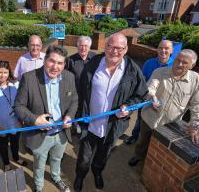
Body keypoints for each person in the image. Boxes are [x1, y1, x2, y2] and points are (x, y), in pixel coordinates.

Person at [74, 33, 148, 191]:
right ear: (105, 46)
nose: (114, 51)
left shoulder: (133, 70)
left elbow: (141, 95)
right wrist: (80, 114)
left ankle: (97, 172)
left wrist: (128, 107)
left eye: (119, 48)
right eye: (110, 46)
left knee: (103, 155)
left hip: (113, 126)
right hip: (90, 124)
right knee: (84, 157)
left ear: (126, 49)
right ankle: (80, 175)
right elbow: (81, 90)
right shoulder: (93, 63)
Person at [14, 46, 78, 192]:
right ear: (45, 60)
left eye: (60, 63)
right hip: (40, 135)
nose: (55, 67)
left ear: (64, 64)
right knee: (39, 164)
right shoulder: (29, 78)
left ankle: (56, 177)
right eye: (52, 61)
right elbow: (18, 105)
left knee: (57, 159)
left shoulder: (69, 77)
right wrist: (34, 119)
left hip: (61, 133)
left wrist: (69, 116)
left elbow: (74, 100)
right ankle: (39, 186)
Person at [128, 49, 199, 167]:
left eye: (184, 63)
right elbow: (150, 87)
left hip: (169, 123)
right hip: (150, 117)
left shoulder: (195, 80)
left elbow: (198, 104)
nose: (179, 64)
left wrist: (195, 123)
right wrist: (151, 96)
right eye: (178, 60)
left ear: (192, 65)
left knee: (161, 148)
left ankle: (150, 164)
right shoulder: (159, 72)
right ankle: (138, 156)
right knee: (142, 141)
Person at [124, 39, 174, 145]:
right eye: (160, 48)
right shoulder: (149, 63)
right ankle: (134, 136)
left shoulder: (174, 66)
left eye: (166, 48)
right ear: (157, 49)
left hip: (163, 101)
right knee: (140, 119)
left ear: (172, 50)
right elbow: (142, 80)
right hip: (146, 98)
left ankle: (152, 145)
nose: (163, 50)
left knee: (158, 125)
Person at [0, 61, 27, 172]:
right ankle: (6, 163)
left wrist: (20, 119)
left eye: (5, 72)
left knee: (15, 143)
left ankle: (16, 158)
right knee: (3, 146)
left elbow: (20, 104)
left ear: (9, 73)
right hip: (1, 125)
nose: (2, 75)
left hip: (15, 123)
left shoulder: (15, 85)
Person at [66, 36, 96, 134]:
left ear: (89, 47)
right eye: (81, 45)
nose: (83, 48)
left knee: (89, 108)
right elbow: (65, 77)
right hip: (76, 91)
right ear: (77, 46)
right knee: (76, 109)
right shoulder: (70, 60)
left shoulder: (95, 58)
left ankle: (87, 126)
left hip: (91, 92)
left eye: (86, 46)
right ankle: (76, 126)